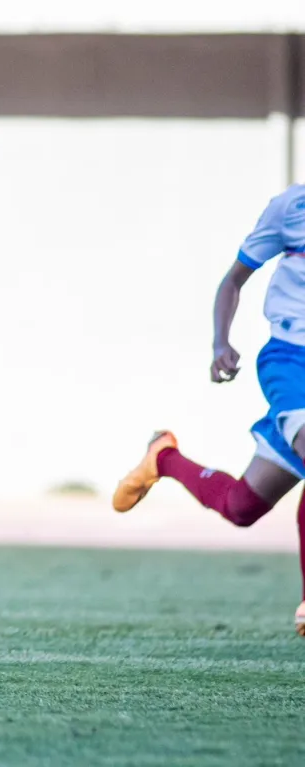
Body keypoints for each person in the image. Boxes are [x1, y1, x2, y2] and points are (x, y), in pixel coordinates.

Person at [113, 183, 305, 637]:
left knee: (242, 506)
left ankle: (163, 457)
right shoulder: (290, 208)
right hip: (292, 361)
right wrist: (221, 341)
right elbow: (233, 280)